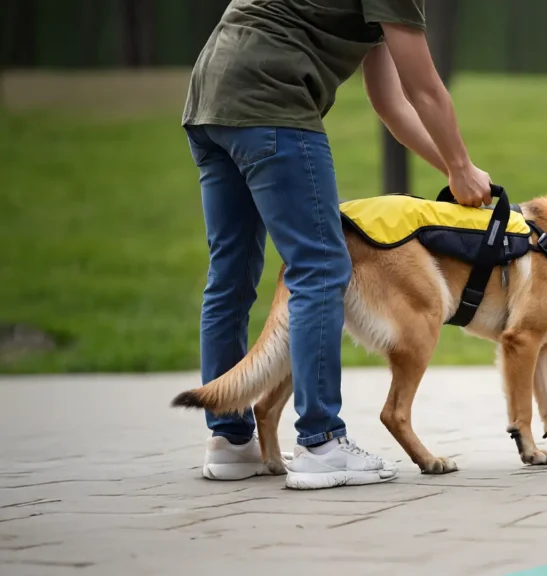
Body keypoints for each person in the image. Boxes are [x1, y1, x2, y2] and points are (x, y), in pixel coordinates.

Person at [181, 0, 492, 489]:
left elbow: (391, 102)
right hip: (273, 101)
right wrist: (460, 164)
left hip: (211, 98)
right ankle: (322, 442)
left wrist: (457, 171)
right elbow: (424, 89)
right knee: (322, 266)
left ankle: (231, 442)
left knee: (232, 274)